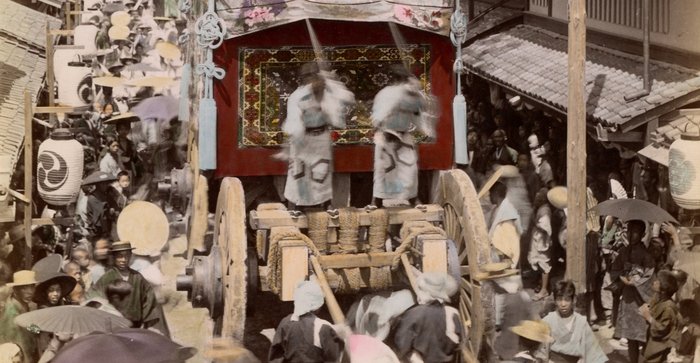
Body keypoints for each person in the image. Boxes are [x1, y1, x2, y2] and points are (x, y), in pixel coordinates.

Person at [280, 63, 355, 212]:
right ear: (304, 79)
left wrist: (333, 82)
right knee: (300, 174)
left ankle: (326, 204)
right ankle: (296, 207)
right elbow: (293, 123)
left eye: (315, 75)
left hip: (321, 137)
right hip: (303, 138)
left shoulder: (328, 92)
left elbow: (348, 98)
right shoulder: (297, 96)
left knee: (322, 173)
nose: (313, 79)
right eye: (309, 76)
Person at [370, 64, 436, 208]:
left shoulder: (412, 95)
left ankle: (412, 198)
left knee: (410, 169)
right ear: (395, 79)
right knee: (383, 169)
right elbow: (378, 117)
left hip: (404, 135)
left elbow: (418, 115)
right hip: (386, 134)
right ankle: (377, 199)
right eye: (401, 79)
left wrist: (426, 130)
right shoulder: (385, 94)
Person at [89, 241, 170, 336]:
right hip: (115, 328)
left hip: (137, 327)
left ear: (130, 256)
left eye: (126, 256)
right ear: (114, 257)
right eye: (119, 256)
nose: (123, 260)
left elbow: (149, 301)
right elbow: (93, 297)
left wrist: (148, 323)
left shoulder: (137, 277)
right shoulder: (106, 278)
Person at [393, 272, 463, 363]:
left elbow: (401, 347)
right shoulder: (454, 313)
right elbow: (458, 344)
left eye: (420, 290)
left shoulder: (414, 314)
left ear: (427, 292)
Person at [268, 279, 344, 362]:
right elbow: (333, 359)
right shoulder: (323, 327)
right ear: (318, 305)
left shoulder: (286, 322)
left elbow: (275, 356)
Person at [611, 220, 655, 363]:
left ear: (642, 234)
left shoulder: (647, 254)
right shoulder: (624, 251)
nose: (631, 234)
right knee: (630, 336)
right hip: (628, 298)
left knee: (644, 333)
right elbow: (615, 269)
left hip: (641, 299)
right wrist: (621, 276)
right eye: (629, 231)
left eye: (635, 231)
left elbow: (650, 275)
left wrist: (635, 281)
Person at [542, 280, 608, 363]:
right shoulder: (548, 320)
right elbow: (542, 351)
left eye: (567, 299)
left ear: (574, 300)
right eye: (559, 299)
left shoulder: (581, 321)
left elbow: (591, 350)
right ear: (555, 300)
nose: (563, 304)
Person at [640, 269, 680, 362]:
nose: (654, 282)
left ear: (664, 289)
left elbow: (663, 328)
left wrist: (649, 318)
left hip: (661, 345)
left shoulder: (668, 307)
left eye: (658, 281)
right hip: (653, 342)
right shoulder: (658, 298)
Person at [0, 271, 39, 363]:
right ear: (15, 289)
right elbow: (19, 348)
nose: (29, 292)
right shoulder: (12, 314)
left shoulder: (25, 306)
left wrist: (37, 329)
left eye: (32, 287)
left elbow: (31, 327)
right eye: (24, 288)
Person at [488, 181, 522, 268]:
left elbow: (510, 241)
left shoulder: (508, 212)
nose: (489, 197)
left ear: (496, 194)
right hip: (496, 253)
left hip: (504, 257)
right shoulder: (496, 209)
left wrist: (502, 257)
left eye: (490, 194)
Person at [528, 188, 553, 301]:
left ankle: (544, 290)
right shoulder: (540, 209)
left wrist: (535, 223)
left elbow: (545, 227)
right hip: (538, 239)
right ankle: (541, 284)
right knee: (538, 262)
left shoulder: (545, 210)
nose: (536, 199)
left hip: (542, 241)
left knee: (544, 265)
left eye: (538, 197)